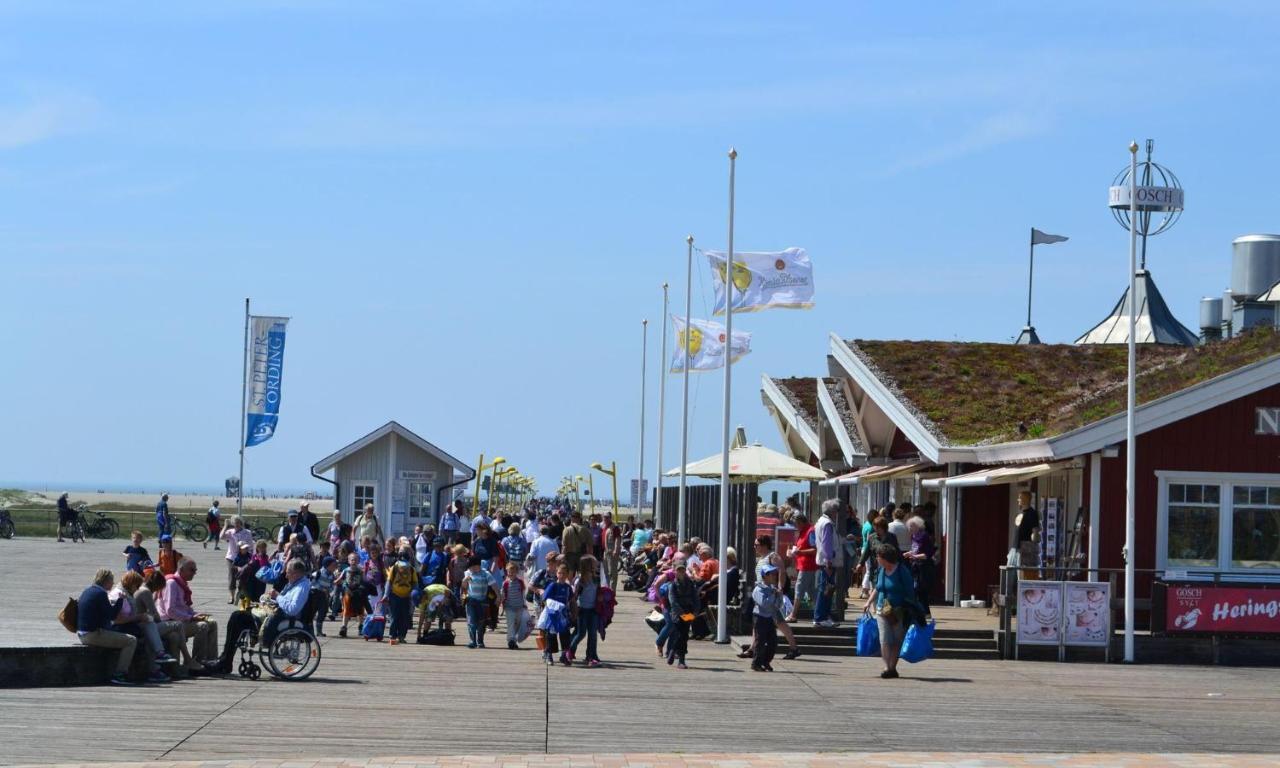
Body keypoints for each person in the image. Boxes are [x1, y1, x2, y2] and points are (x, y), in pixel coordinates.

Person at [863, 543, 920, 679]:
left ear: (885, 558)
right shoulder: (882, 570)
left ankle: (892, 667)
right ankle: (887, 667)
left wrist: (910, 609)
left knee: (897, 640)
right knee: (884, 639)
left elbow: (910, 592)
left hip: (898, 611)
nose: (876, 558)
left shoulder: (902, 571)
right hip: (882, 610)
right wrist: (868, 601)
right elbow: (877, 588)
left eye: (878, 556)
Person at [741, 535, 800, 660]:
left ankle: (794, 648)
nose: (755, 547)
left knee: (779, 622)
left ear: (764, 545)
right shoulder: (762, 558)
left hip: (770, 594)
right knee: (757, 621)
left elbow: (782, 572)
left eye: (756, 545)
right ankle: (752, 648)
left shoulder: (773, 556)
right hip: (762, 593)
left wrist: (779, 589)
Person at [157, 558, 219, 676]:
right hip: (171, 623)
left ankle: (211, 660)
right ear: (181, 570)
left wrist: (194, 614)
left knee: (212, 622)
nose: (194, 572)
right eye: (192, 570)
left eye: (195, 570)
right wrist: (191, 618)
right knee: (202, 626)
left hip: (180, 620)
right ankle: (197, 662)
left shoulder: (181, 584)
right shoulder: (172, 584)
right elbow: (170, 610)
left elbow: (183, 608)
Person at [110, 570, 174, 683]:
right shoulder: (118, 594)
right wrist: (138, 617)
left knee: (150, 629)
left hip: (129, 625)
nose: (138, 588)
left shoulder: (127, 593)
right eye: (137, 585)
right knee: (151, 625)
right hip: (120, 628)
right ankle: (159, 658)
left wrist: (140, 617)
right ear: (132, 584)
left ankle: (157, 664)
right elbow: (116, 620)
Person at [77, 568, 137, 685]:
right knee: (131, 640)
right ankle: (120, 674)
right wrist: (120, 599)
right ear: (106, 581)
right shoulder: (101, 594)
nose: (113, 583)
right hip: (92, 635)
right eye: (111, 581)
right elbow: (112, 615)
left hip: (82, 633)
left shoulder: (88, 590)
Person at [135, 569, 191, 674]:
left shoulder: (141, 589)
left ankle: (173, 669)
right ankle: (187, 657)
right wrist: (163, 623)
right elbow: (154, 614)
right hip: (144, 627)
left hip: (142, 625)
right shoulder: (146, 592)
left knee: (174, 635)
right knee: (178, 625)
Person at [568, 555, 601, 667]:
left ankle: (591, 656)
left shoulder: (596, 578)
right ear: (588, 566)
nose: (597, 566)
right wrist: (573, 610)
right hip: (582, 609)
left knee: (593, 634)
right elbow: (574, 597)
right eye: (594, 564)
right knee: (581, 633)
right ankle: (569, 651)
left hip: (593, 610)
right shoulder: (580, 580)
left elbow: (598, 592)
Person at [812, 499, 840, 628]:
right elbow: (827, 544)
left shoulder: (820, 522)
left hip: (823, 561)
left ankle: (823, 616)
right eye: (836, 510)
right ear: (832, 511)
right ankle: (820, 617)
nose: (837, 513)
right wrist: (828, 561)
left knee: (826, 589)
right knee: (826, 590)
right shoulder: (828, 524)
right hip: (827, 562)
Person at [751, 564, 784, 672]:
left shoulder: (772, 589)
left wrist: (779, 596)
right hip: (760, 617)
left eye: (774, 574)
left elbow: (778, 605)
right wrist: (773, 595)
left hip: (769, 617)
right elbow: (763, 603)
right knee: (760, 641)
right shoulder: (758, 589)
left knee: (773, 641)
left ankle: (766, 661)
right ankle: (756, 663)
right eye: (771, 574)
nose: (774, 576)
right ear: (765, 576)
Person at [666, 561, 698, 669]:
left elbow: (695, 598)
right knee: (679, 635)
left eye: (683, 570)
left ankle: (681, 659)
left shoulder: (690, 584)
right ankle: (674, 652)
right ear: (675, 572)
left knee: (684, 636)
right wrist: (681, 613)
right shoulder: (673, 585)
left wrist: (695, 611)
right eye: (679, 570)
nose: (681, 572)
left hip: (688, 612)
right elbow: (673, 602)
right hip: (677, 614)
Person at [541, 561, 574, 665]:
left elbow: (571, 601)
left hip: (563, 615)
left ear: (567, 574)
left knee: (565, 635)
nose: (562, 575)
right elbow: (545, 599)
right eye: (560, 573)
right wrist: (553, 607)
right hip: (553, 615)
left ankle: (564, 656)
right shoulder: (553, 585)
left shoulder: (568, 588)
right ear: (556, 573)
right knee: (551, 636)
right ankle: (549, 655)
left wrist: (574, 613)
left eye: (564, 573)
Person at [384, 546, 418, 644]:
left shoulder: (411, 569)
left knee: (405, 617)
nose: (403, 567)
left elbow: (415, 583)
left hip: (407, 596)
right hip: (394, 595)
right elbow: (389, 582)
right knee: (394, 617)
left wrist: (414, 595)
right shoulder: (394, 567)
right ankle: (392, 635)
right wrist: (386, 595)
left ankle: (402, 636)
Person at [905, 516, 936, 618]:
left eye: (911, 526)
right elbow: (915, 550)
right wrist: (908, 553)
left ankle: (925, 612)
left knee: (920, 589)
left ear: (918, 526)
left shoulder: (924, 536)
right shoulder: (914, 536)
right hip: (916, 566)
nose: (909, 528)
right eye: (909, 526)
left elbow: (927, 554)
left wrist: (913, 556)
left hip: (924, 567)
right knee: (916, 589)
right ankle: (922, 612)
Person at [787, 514, 817, 620]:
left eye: (796, 524)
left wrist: (799, 552)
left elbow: (814, 550)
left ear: (801, 522)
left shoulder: (810, 531)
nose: (795, 527)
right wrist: (793, 551)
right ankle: (820, 613)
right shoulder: (803, 531)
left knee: (799, 589)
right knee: (811, 591)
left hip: (807, 566)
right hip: (804, 565)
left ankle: (793, 615)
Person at [220, 516, 255, 603]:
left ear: (241, 523)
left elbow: (251, 546)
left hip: (243, 557)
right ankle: (232, 597)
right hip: (231, 557)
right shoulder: (231, 532)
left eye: (238, 523)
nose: (237, 525)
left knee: (243, 577)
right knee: (232, 577)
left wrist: (251, 557)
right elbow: (221, 537)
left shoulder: (247, 532)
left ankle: (241, 594)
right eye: (235, 523)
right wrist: (225, 526)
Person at [461, 556, 494, 648]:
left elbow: (494, 585)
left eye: (472, 566)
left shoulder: (486, 573)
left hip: (483, 601)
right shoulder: (468, 573)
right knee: (471, 622)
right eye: (469, 567)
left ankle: (480, 641)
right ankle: (472, 641)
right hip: (471, 600)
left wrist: (498, 596)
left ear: (478, 565)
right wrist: (464, 580)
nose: (471, 569)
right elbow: (463, 587)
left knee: (481, 622)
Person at [500, 561, 528, 650]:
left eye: (513, 572)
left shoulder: (520, 582)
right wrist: (501, 602)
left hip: (519, 606)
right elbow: (503, 594)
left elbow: (523, 594)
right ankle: (511, 640)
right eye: (509, 572)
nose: (511, 574)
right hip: (509, 607)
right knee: (511, 623)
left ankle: (514, 638)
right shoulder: (505, 583)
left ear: (516, 572)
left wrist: (524, 604)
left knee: (518, 623)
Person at [338, 552, 366, 638]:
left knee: (360, 611)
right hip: (348, 592)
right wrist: (344, 587)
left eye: (356, 560)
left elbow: (363, 581)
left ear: (358, 561)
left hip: (358, 593)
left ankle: (361, 626)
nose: (354, 561)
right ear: (349, 561)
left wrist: (361, 588)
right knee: (346, 609)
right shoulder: (345, 570)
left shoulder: (361, 571)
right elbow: (341, 580)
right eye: (352, 560)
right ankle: (344, 627)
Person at [310, 556, 338, 637]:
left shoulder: (332, 575)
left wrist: (329, 590)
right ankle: (310, 631)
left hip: (324, 595)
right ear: (327, 565)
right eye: (333, 565)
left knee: (323, 612)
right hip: (315, 594)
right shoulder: (318, 573)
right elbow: (311, 582)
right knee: (312, 613)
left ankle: (319, 631)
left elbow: (332, 585)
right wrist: (322, 588)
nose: (335, 567)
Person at [1015, 491, 1042, 574]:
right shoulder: (1021, 513)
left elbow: (1035, 532)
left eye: (1020, 497)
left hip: (1025, 549)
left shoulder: (1032, 514)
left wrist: (1033, 547)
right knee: (1016, 573)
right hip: (1017, 548)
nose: (1018, 500)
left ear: (1025, 499)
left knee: (1023, 574)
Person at [603, 518, 623, 590]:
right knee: (606, 572)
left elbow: (618, 539)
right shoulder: (605, 527)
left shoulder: (615, 528)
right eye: (604, 518)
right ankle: (608, 589)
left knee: (612, 572)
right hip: (606, 552)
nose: (605, 519)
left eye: (607, 517)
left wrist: (616, 550)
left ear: (610, 518)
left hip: (612, 553)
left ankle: (612, 590)